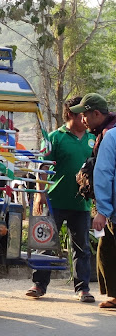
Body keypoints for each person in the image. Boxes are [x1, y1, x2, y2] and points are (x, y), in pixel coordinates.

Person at [26, 97, 96, 302]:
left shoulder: (93, 138)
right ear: (70, 114)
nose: (84, 117)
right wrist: (40, 194)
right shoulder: (55, 138)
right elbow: (43, 168)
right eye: (80, 113)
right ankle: (39, 285)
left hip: (81, 204)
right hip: (54, 201)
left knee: (81, 246)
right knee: (45, 244)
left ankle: (83, 288)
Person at [70, 93, 116, 309]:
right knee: (106, 246)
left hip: (113, 209)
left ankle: (114, 295)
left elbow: (104, 174)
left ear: (97, 113)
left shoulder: (109, 137)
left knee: (107, 247)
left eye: (85, 115)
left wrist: (103, 210)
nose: (83, 120)